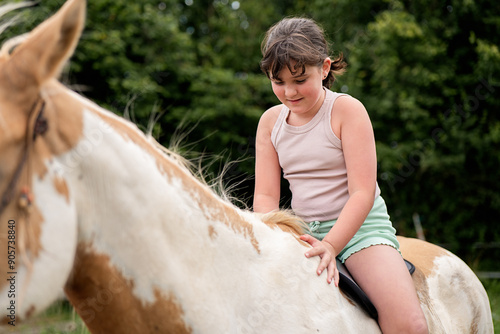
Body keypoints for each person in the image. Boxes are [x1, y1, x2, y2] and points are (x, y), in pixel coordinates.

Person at [253, 17, 428, 334]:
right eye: (278, 82)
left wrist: (332, 244)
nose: (289, 91)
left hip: (360, 232)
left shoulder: (347, 111)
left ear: (324, 67)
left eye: (299, 79)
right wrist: (273, 238)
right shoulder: (269, 123)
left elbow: (362, 192)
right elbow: (265, 197)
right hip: (302, 232)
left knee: (409, 326)